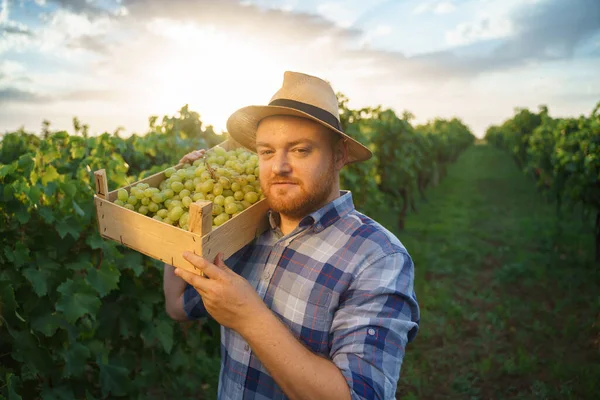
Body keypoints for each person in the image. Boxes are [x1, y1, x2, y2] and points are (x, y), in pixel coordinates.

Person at [163, 71, 420, 400]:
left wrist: (248, 316)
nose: (278, 167)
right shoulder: (244, 234)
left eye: (300, 150)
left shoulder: (378, 257)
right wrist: (183, 220)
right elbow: (178, 306)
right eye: (266, 152)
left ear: (339, 155)